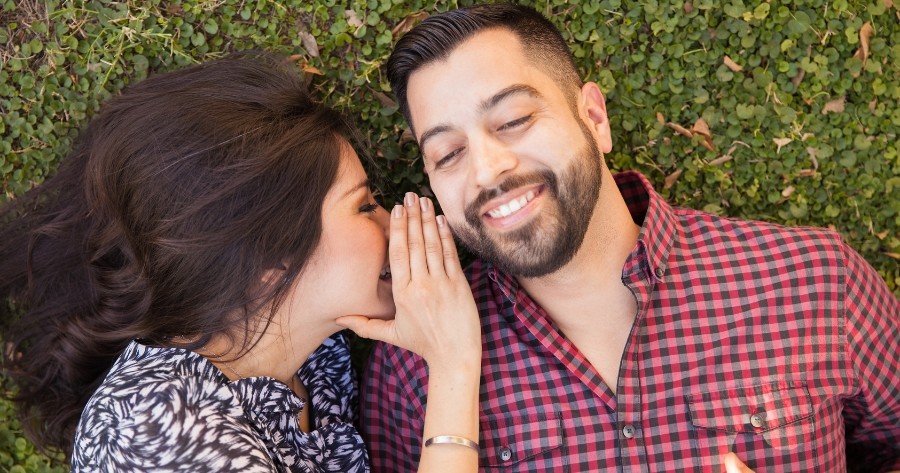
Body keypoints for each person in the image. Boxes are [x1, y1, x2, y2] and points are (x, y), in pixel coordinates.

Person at [362, 3, 900, 472]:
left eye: (513, 120)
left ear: (594, 117)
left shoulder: (817, 278)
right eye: (448, 154)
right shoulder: (414, 362)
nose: (486, 170)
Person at [0, 52, 482, 472]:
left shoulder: (315, 356)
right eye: (363, 206)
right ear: (268, 256)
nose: (395, 222)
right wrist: (454, 365)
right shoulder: (164, 434)